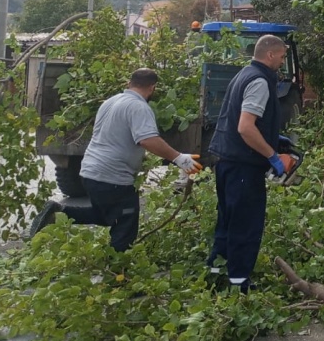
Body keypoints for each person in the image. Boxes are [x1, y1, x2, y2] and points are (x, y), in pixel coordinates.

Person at [28, 68, 203, 251]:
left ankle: (60, 212)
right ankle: (117, 271)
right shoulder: (139, 107)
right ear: (152, 88)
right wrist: (178, 158)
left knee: (105, 215)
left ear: (129, 84)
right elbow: (147, 139)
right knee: (126, 223)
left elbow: (116, 137)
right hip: (113, 178)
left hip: (90, 172)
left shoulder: (110, 102)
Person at [205, 35, 295, 292]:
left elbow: (240, 118)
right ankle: (238, 285)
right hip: (243, 165)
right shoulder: (260, 81)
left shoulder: (244, 74)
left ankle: (215, 275)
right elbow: (245, 127)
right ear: (269, 55)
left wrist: (271, 136)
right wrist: (273, 156)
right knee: (245, 225)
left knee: (227, 221)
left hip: (226, 161)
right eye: (280, 56)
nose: (281, 61)